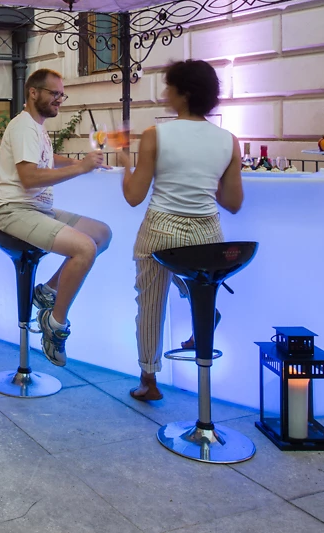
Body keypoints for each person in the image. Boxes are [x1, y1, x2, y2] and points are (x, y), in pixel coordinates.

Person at [121, 59, 244, 401]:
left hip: (161, 227)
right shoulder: (229, 141)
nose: (165, 93)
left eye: (169, 87)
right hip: (208, 234)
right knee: (195, 278)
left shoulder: (155, 135)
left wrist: (125, 165)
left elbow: (133, 196)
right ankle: (204, 312)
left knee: (150, 303)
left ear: (184, 93)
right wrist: (203, 179)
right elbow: (233, 202)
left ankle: (149, 380)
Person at [0, 68, 111, 367]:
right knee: (84, 248)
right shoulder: (23, 126)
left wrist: (82, 163)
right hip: (12, 210)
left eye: (61, 95)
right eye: (54, 93)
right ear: (33, 92)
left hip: (36, 209)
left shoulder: (36, 127)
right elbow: (30, 178)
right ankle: (55, 324)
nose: (59, 99)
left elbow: (46, 159)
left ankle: (46, 292)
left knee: (101, 233)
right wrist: (80, 168)